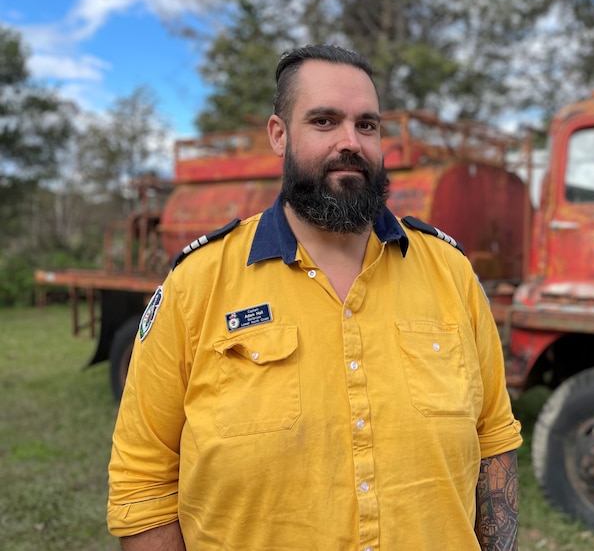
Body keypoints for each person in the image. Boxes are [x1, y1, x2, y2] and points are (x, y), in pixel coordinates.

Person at [107, 44, 523, 551]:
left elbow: (495, 439)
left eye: (367, 125)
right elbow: (143, 477)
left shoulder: (451, 273)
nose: (351, 142)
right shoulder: (199, 282)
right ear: (279, 135)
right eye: (324, 121)